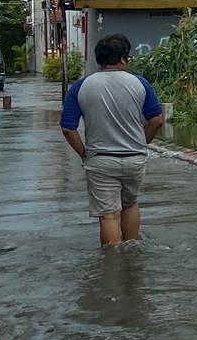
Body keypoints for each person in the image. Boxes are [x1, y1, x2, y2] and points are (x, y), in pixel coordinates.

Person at [60, 34, 165, 247]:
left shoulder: (81, 87)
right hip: (134, 158)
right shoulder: (140, 84)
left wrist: (84, 154)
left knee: (108, 215)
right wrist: (142, 142)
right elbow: (157, 120)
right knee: (130, 204)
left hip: (101, 160)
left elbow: (68, 128)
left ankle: (112, 262)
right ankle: (132, 253)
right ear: (123, 58)